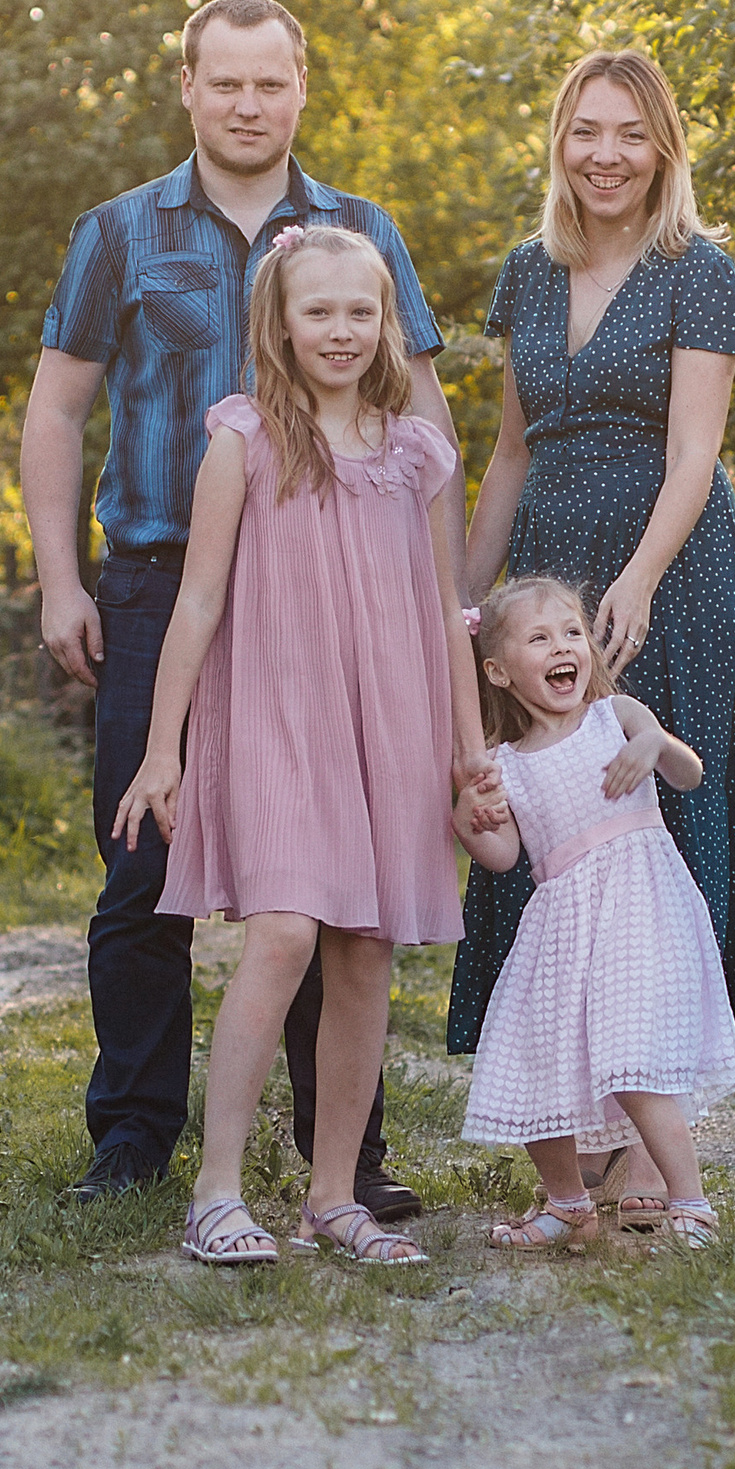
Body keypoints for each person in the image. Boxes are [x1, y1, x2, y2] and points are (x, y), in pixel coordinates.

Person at [22, 0, 463, 1204]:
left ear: (301, 88)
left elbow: (428, 428)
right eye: (226, 82)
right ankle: (132, 1137)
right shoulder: (119, 231)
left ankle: (344, 1159)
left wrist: (438, 602)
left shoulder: (360, 231)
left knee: (338, 871)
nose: (248, 104)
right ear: (188, 85)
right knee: (139, 864)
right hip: (165, 583)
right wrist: (63, 576)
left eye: (270, 83)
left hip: (333, 593)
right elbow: (57, 410)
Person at [113, 224, 478, 1265]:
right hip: (275, 717)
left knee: (365, 951)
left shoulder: (414, 450)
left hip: (391, 723)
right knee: (281, 933)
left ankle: (332, 1194)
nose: (341, 330)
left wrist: (464, 749)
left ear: (386, 324)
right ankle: (216, 1190)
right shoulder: (241, 439)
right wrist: (162, 749)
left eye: (360, 311)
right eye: (317, 310)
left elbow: (441, 608)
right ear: (277, 322)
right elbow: (195, 603)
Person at [452, 49, 735, 1219]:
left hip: (666, 570)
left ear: (663, 147)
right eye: (585, 131)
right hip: (543, 571)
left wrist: (634, 579)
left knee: (663, 822)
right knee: (546, 821)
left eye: (629, 133)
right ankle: (565, 1100)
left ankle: (655, 1129)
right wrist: (459, 599)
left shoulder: (699, 273)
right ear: (559, 142)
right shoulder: (524, 276)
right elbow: (508, 452)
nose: (604, 154)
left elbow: (695, 452)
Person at [454, 576, 735, 1251]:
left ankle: (691, 1201)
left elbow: (689, 773)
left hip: (640, 912)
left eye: (570, 632)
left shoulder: (615, 716)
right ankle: (566, 1202)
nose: (563, 646)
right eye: (539, 637)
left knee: (631, 1062)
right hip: (561, 929)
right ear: (498, 671)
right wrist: (468, 819)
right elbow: (500, 854)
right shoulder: (506, 765)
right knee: (533, 1067)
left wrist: (657, 745)